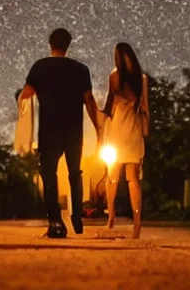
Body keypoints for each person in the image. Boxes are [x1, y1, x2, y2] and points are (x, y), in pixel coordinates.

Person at [18, 28, 102, 238]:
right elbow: (89, 100)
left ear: (50, 44)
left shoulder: (40, 67)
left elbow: (26, 95)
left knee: (49, 175)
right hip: (73, 130)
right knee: (75, 172)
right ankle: (77, 216)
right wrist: (99, 126)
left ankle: (55, 221)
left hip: (49, 130)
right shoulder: (81, 69)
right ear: (68, 45)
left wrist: (20, 103)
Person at [100, 42, 149, 239]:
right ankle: (110, 215)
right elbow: (109, 105)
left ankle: (137, 224)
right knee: (112, 176)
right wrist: (102, 133)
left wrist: (146, 132)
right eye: (121, 57)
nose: (124, 61)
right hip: (116, 129)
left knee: (133, 178)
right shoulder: (114, 76)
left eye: (126, 56)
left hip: (133, 130)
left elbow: (145, 107)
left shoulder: (142, 78)